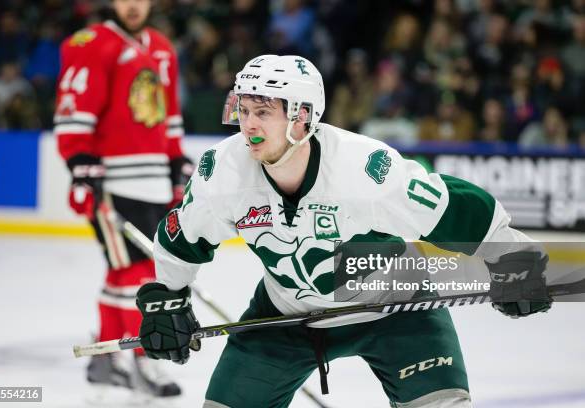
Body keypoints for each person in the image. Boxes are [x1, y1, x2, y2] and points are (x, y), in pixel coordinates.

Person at [135, 55, 552, 407]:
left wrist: (513, 259)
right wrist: (165, 298)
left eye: (263, 112)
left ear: (302, 117)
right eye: (243, 110)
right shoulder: (223, 173)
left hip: (398, 310)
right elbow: (182, 237)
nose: (248, 125)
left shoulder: (365, 172)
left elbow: (457, 208)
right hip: (285, 319)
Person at [54, 0, 190, 398]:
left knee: (124, 271)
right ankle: (145, 360)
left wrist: (175, 159)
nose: (133, 5)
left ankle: (105, 359)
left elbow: (169, 113)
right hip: (112, 180)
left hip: (153, 183)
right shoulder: (92, 43)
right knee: (140, 272)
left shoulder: (162, 47)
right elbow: (74, 107)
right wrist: (80, 161)